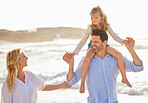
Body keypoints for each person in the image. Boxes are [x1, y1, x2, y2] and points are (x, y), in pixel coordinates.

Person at [63, 29, 143, 103]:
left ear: (104, 42)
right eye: (92, 41)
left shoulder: (116, 58)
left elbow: (137, 67)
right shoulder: (86, 60)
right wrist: (71, 66)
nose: (92, 44)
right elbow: (71, 81)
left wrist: (131, 51)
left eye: (96, 42)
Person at [73, 5, 132, 93]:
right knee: (86, 60)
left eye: (96, 17)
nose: (93, 20)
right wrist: (75, 52)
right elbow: (83, 40)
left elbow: (115, 36)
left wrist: (123, 42)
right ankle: (82, 84)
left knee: (119, 55)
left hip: (104, 46)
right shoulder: (90, 28)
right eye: (92, 18)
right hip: (92, 47)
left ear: (102, 17)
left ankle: (124, 78)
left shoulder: (106, 26)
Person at [1, 48, 71, 103]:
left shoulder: (30, 75)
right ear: (17, 60)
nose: (27, 58)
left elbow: (43, 86)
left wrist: (62, 85)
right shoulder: (8, 83)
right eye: (24, 56)